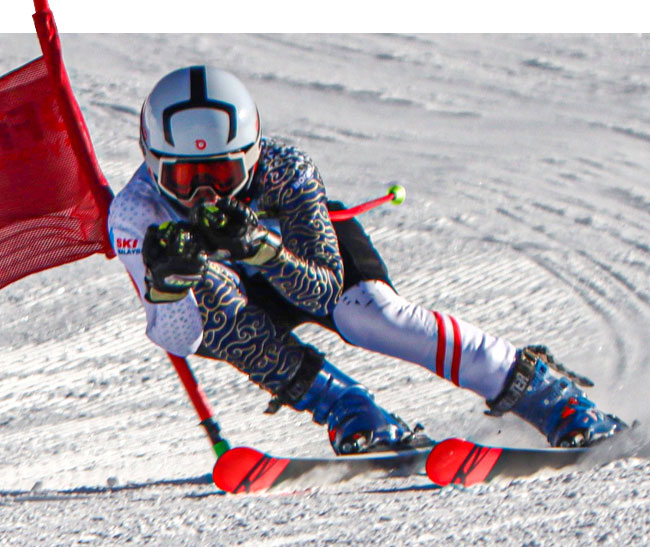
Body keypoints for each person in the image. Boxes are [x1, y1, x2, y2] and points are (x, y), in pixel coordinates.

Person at [108, 66, 625, 455]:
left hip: (311, 258)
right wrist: (168, 287)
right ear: (152, 162)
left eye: (221, 176)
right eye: (182, 178)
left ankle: (544, 392)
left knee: (368, 315)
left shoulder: (286, 169)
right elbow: (180, 339)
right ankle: (353, 411)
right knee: (216, 309)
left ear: (251, 155)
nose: (203, 196)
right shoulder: (135, 213)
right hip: (244, 287)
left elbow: (321, 292)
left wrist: (259, 248)